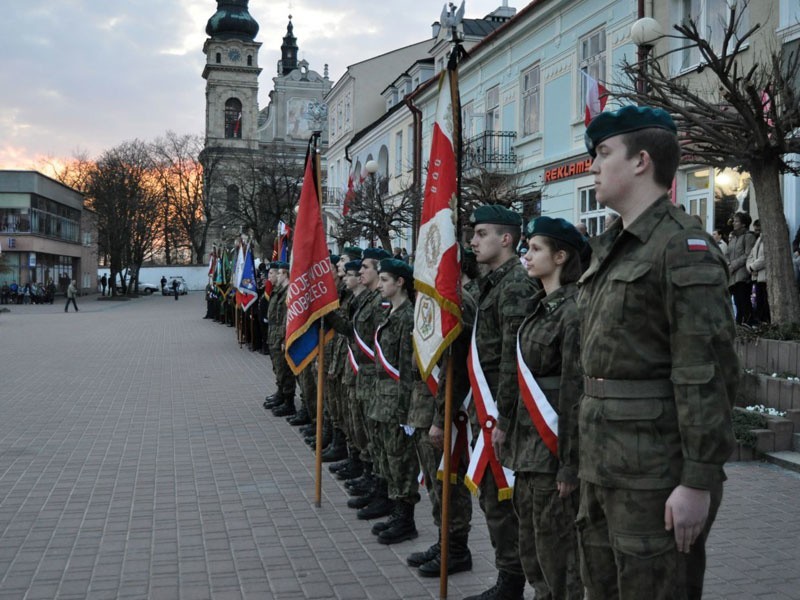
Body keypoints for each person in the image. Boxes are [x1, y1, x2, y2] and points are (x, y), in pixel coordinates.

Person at [578, 104, 738, 599]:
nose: (593, 166)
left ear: (641, 161)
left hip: (654, 475)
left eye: (604, 153)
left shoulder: (679, 247)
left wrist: (697, 481)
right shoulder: (614, 248)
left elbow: (706, 371)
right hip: (604, 464)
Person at [465, 204, 540, 600]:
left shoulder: (515, 285)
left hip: (502, 411)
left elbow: (515, 357)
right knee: (493, 500)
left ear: (506, 239)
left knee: (505, 501)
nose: (473, 241)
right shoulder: (494, 281)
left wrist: (504, 419)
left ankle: (513, 582)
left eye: (481, 234)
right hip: (488, 406)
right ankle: (508, 577)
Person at [510, 217, 586, 599]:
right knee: (532, 548)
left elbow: (574, 391)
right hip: (528, 449)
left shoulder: (572, 311)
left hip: (552, 451)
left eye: (536, 248)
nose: (527, 254)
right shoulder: (538, 308)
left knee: (558, 552)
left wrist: (569, 465)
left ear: (560, 256)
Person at [368, 258, 420, 544]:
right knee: (389, 457)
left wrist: (405, 413)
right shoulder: (392, 314)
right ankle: (395, 510)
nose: (380, 285)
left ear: (400, 282)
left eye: (385, 280)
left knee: (402, 461)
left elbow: (406, 370)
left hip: (396, 403)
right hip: (383, 400)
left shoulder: (407, 317)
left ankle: (405, 518)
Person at [726, 211, 756, 325]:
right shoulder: (733, 238)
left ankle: (747, 325)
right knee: (737, 303)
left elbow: (748, 254)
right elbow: (727, 254)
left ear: (743, 224)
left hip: (742, 275)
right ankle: (739, 326)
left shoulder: (748, 237)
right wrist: (728, 263)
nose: (734, 223)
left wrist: (733, 265)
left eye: (737, 221)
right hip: (733, 276)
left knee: (744, 302)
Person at [746, 221, 770, 325]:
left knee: (764, 303)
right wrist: (750, 267)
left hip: (764, 277)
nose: (756, 232)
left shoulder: (768, 238)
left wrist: (753, 267)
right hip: (756, 276)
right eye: (755, 229)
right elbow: (751, 255)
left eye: (758, 229)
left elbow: (765, 257)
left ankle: (765, 322)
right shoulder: (759, 239)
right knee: (758, 303)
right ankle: (760, 323)